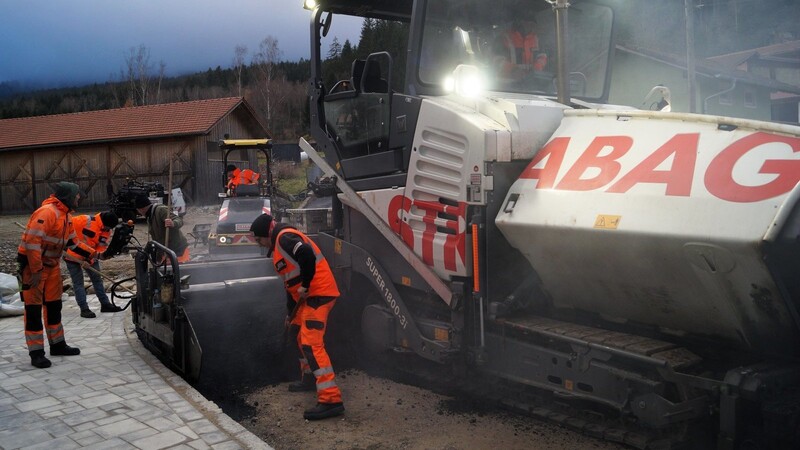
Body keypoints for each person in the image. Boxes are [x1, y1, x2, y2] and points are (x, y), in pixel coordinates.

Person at [250, 213, 345, 420]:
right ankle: (310, 377)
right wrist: (289, 313)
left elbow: (307, 255)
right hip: (307, 297)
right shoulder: (278, 246)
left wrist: (305, 285)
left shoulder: (285, 238)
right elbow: (290, 285)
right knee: (294, 331)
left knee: (311, 343)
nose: (258, 244)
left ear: (266, 234)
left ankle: (331, 399)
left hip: (318, 294)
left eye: (258, 240)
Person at [17, 181, 96, 368]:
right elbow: (31, 243)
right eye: (77, 195)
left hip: (51, 267)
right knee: (34, 310)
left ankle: (57, 344)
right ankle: (36, 353)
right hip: (32, 268)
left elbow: (73, 244)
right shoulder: (47, 213)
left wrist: (95, 254)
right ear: (68, 196)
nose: (79, 198)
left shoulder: (66, 216)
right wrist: (35, 271)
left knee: (54, 305)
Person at [65, 211, 124, 318]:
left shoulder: (107, 230)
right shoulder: (83, 220)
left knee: (97, 280)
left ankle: (105, 304)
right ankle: (84, 309)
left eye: (109, 228)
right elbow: (66, 232)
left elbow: (101, 247)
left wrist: (93, 259)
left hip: (91, 257)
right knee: (78, 283)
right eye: (107, 227)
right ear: (104, 222)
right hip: (72, 256)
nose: (108, 230)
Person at [134, 194, 190, 263]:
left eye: (138, 210)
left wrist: (173, 223)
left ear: (141, 209)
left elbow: (179, 220)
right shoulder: (149, 217)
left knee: (179, 272)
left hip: (178, 251)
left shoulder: (161, 210)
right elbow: (157, 240)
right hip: (167, 252)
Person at [494, 18, 548, 83]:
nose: (530, 26)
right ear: (521, 22)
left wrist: (536, 69)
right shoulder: (504, 37)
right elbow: (497, 60)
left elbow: (542, 56)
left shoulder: (536, 38)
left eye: (532, 24)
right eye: (528, 23)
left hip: (530, 84)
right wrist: (513, 70)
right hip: (506, 86)